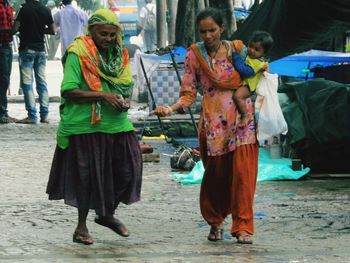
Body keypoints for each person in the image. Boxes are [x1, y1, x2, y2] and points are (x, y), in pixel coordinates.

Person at [153, 8, 258, 244]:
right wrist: (171, 108)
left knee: (243, 175)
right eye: (203, 31)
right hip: (214, 122)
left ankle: (243, 226)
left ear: (222, 28)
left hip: (242, 120)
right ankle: (215, 221)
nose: (208, 36)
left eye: (212, 30)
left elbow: (255, 72)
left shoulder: (238, 49)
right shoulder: (194, 55)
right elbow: (188, 91)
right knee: (216, 177)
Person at [46, 8, 142, 245]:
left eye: (112, 34)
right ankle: (81, 227)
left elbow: (124, 86)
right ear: (92, 32)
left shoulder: (120, 55)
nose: (108, 39)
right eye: (102, 34)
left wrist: (124, 100)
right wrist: (101, 96)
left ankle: (106, 215)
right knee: (87, 177)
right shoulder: (79, 52)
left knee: (130, 169)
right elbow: (68, 90)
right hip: (85, 125)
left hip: (117, 122)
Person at [12, 0, 55, 124]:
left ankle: (32, 116)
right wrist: (40, 30)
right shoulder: (46, 9)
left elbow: (14, 29)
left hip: (27, 49)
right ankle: (44, 115)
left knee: (27, 83)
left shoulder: (23, 9)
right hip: (41, 51)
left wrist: (22, 30)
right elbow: (52, 31)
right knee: (42, 82)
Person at [231, 30, 273, 124]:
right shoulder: (249, 55)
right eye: (250, 46)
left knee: (237, 96)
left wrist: (235, 55)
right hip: (244, 83)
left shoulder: (259, 63)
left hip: (249, 87)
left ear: (264, 52)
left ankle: (245, 115)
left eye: (257, 49)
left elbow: (245, 71)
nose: (251, 50)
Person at [0, 0, 17, 124]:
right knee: (3, 79)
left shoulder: (8, 6)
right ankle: (2, 112)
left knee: (5, 79)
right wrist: (7, 30)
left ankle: (3, 111)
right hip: (1, 45)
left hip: (7, 44)